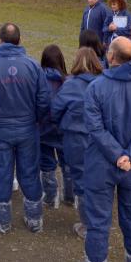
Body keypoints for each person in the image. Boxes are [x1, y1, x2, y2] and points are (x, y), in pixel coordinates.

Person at [82, 37, 131, 262]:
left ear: (111, 56)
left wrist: (121, 155)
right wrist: (130, 154)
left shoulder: (95, 87)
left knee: (98, 221)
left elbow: (94, 127)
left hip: (103, 163)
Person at [0, 23, 50, 234]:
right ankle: (34, 218)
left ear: (0, 40)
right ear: (19, 40)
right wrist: (37, 119)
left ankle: (3, 222)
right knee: (29, 172)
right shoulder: (32, 66)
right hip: (27, 127)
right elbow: (43, 98)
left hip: (0, 129)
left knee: (1, 173)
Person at [52, 47, 103, 239]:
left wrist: (62, 125)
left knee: (81, 179)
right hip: (101, 137)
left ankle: (88, 224)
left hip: (76, 137)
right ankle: (99, 216)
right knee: (99, 176)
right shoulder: (104, 82)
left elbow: (56, 109)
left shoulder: (70, 84)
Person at [38, 45, 73, 208]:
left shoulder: (38, 81)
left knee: (46, 164)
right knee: (67, 163)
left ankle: (51, 197)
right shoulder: (68, 82)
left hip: (43, 130)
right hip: (63, 130)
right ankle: (70, 195)